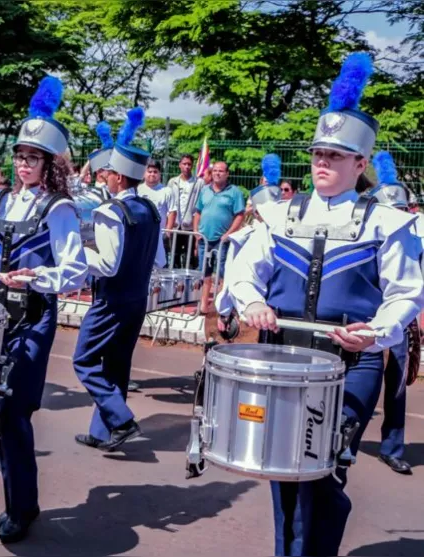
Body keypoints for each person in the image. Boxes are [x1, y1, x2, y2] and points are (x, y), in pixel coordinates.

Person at [228, 53, 424, 556]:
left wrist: (376, 333)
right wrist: (251, 302)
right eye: (318, 153)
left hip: (350, 363)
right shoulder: (277, 214)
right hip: (282, 357)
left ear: (360, 164)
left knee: (322, 467)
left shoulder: (386, 221)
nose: (322, 162)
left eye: (336, 156)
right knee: (281, 468)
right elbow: (244, 272)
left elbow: (405, 292)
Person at [0, 76, 88, 544]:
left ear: (49, 164)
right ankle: (19, 503)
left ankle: (22, 509)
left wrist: (36, 278)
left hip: (33, 316)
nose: (24, 163)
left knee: (13, 408)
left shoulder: (58, 208)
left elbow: (75, 271)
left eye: (33, 157)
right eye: (20, 156)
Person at [73, 107, 160, 451]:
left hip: (110, 299)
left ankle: (122, 420)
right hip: (136, 298)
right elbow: (160, 258)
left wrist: (76, 252)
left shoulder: (111, 211)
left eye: (107, 171)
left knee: (84, 360)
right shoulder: (151, 210)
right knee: (117, 363)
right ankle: (104, 431)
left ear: (119, 178)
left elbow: (106, 265)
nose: (103, 175)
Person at [370, 150, 416, 476]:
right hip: (367, 315)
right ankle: (341, 441)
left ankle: (392, 448)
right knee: (362, 380)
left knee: (397, 383)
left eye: (401, 209)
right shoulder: (368, 231)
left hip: (400, 317)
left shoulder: (416, 234)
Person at [213, 154, 282, 340]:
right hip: (250, 312)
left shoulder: (283, 231)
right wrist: (226, 311)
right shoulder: (246, 236)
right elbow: (233, 278)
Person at [192, 161, 245, 313]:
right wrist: (196, 231)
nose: (217, 173)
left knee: (222, 273)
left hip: (222, 240)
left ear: (227, 173)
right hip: (204, 239)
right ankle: (203, 305)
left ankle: (221, 306)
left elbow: (239, 215)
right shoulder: (205, 191)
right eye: (214, 170)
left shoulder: (234, 192)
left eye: (221, 171)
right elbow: (198, 212)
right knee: (204, 272)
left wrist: (229, 234)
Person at [137, 160, 177, 268]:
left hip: (160, 235)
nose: (152, 174)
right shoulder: (137, 190)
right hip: (141, 235)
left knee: (160, 266)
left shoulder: (166, 191)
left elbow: (172, 211)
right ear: (144, 173)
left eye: (155, 172)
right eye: (149, 171)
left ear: (160, 174)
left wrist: (167, 232)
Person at [168, 154, 204, 269]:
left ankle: (188, 284)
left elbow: (200, 204)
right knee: (174, 256)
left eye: (189, 164)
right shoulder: (173, 182)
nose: (187, 167)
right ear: (179, 165)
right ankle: (175, 284)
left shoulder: (199, 183)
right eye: (184, 164)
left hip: (190, 226)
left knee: (190, 257)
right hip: (175, 226)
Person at [86, 121, 114, 200]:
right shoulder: (94, 193)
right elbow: (82, 175)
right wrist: (91, 159)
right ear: (99, 171)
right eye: (107, 169)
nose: (109, 173)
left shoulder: (112, 190)